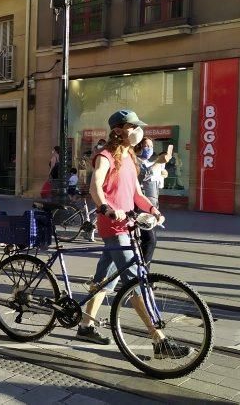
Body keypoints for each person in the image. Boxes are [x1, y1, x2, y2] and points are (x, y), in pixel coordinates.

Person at [75, 110, 189, 359]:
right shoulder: (104, 156)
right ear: (118, 130)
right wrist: (105, 207)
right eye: (132, 126)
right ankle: (159, 341)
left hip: (127, 223)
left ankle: (85, 326)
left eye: (138, 126)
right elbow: (96, 184)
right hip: (113, 224)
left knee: (104, 278)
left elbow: (137, 194)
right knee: (135, 282)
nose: (138, 130)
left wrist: (153, 209)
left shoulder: (129, 156)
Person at [135, 137, 170, 264]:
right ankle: (143, 272)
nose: (149, 149)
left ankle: (140, 273)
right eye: (146, 146)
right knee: (149, 240)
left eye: (151, 146)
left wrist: (161, 173)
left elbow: (156, 184)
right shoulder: (136, 162)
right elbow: (144, 174)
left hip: (151, 206)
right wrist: (158, 163)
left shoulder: (148, 162)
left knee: (143, 241)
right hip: (139, 207)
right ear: (139, 147)